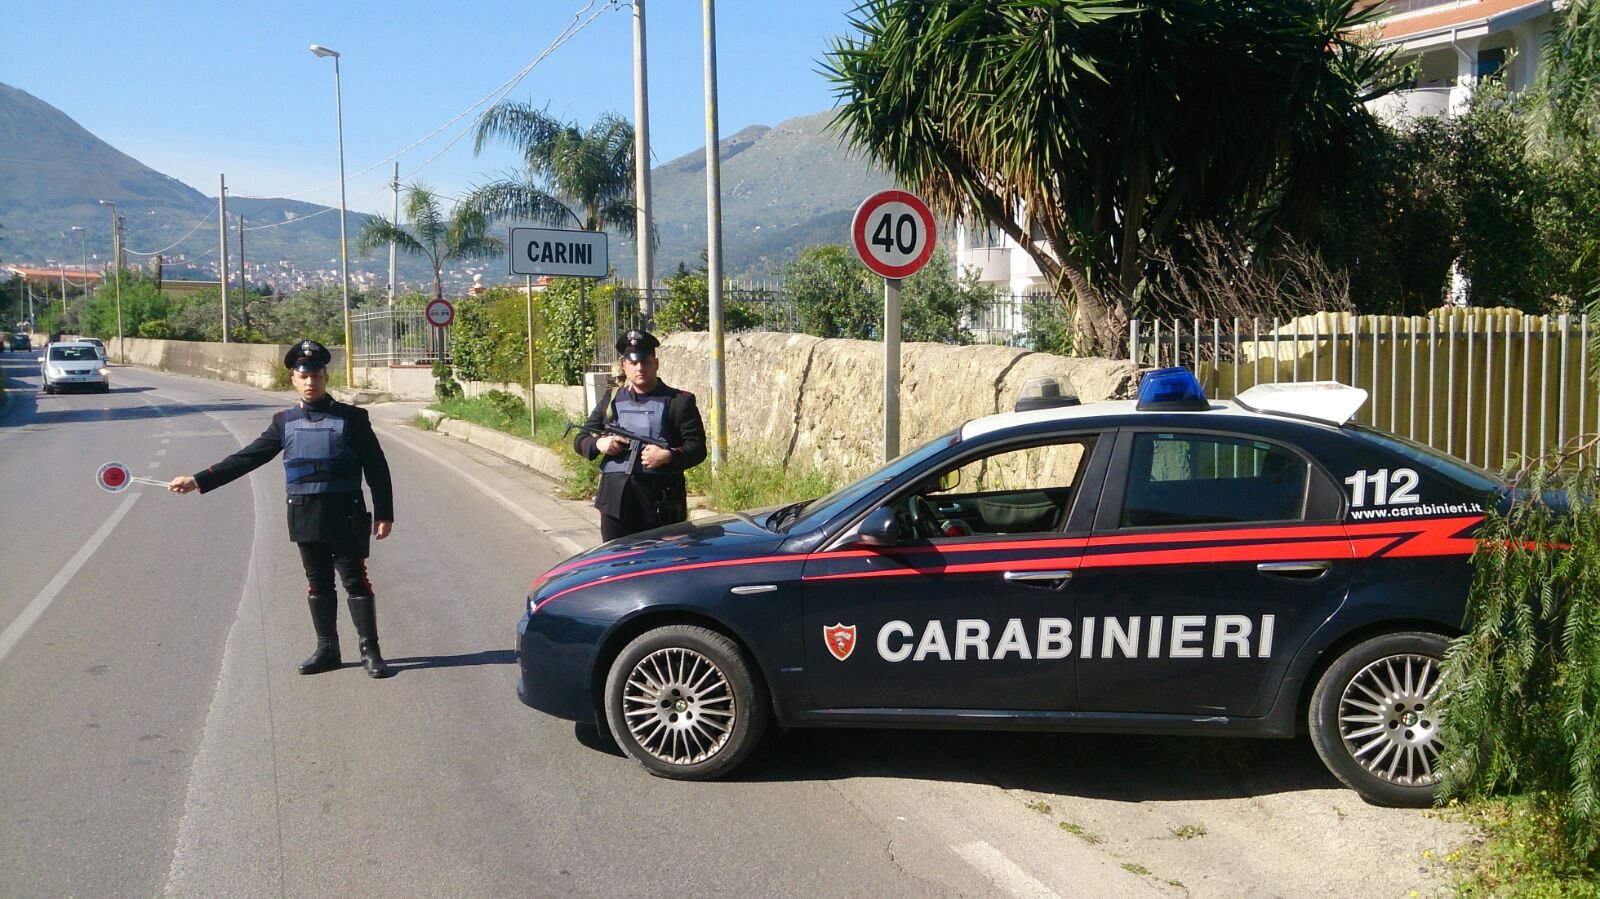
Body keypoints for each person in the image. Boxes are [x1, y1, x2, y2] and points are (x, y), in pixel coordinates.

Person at [168, 339, 397, 678]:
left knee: (355, 581)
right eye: (303, 376)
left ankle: (370, 651)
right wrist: (199, 480)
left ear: (325, 377)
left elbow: (376, 466)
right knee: (318, 583)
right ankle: (327, 649)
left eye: (316, 375)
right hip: (305, 513)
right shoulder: (284, 422)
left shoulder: (352, 418)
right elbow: (248, 458)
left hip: (346, 513)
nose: (310, 382)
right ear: (293, 378)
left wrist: (384, 512)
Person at [573, 329, 707, 541]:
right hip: (615, 501)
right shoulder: (612, 398)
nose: (640, 368)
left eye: (645, 362)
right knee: (617, 566)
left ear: (656, 363)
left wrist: (668, 456)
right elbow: (580, 439)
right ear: (624, 365)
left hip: (661, 502)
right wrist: (600, 444)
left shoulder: (679, 402)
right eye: (634, 363)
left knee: (661, 568)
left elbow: (697, 448)